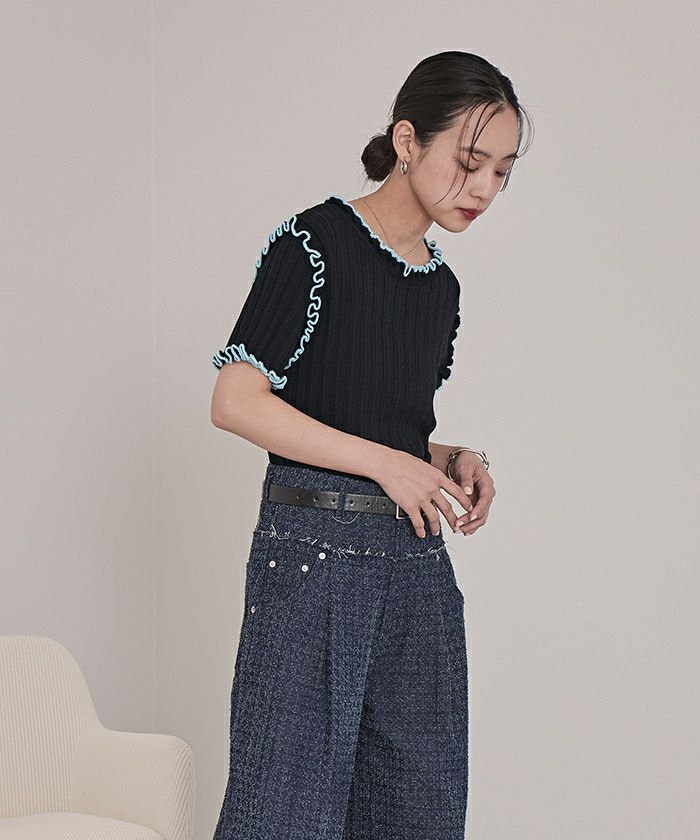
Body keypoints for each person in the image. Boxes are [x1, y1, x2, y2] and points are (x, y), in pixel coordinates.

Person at [209, 50, 532, 840]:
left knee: (417, 811)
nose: (484, 189)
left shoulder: (440, 287)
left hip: (414, 565)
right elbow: (236, 401)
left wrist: (443, 458)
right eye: (470, 162)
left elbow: (374, 425)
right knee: (282, 811)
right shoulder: (313, 244)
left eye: (502, 172)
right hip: (312, 556)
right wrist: (391, 462)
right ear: (407, 140)